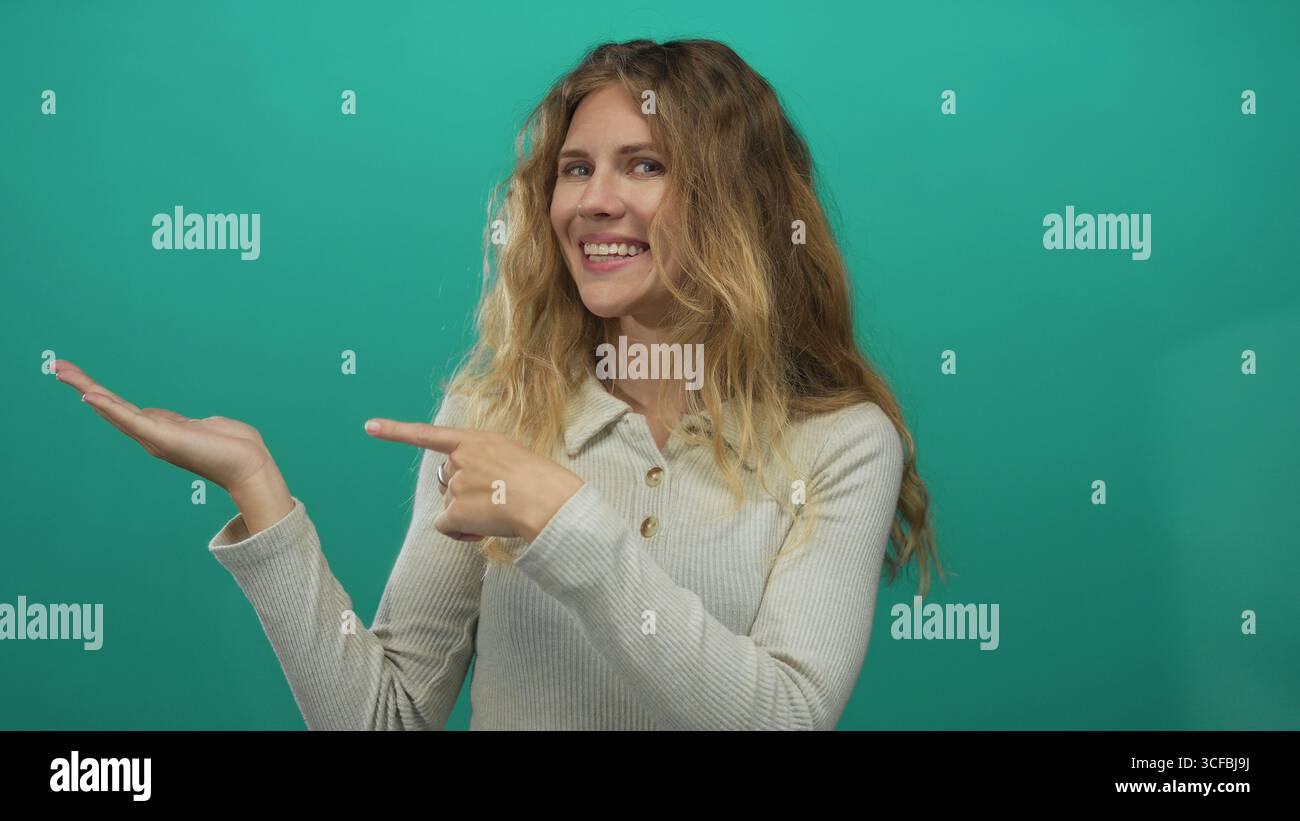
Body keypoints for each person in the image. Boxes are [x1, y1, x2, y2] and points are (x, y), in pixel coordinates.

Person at [54, 38, 942, 730]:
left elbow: (785, 716)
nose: (591, 200)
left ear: (735, 201)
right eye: (574, 167)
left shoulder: (843, 443)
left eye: (644, 164)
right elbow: (384, 716)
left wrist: (566, 521)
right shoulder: (494, 415)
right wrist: (260, 493)